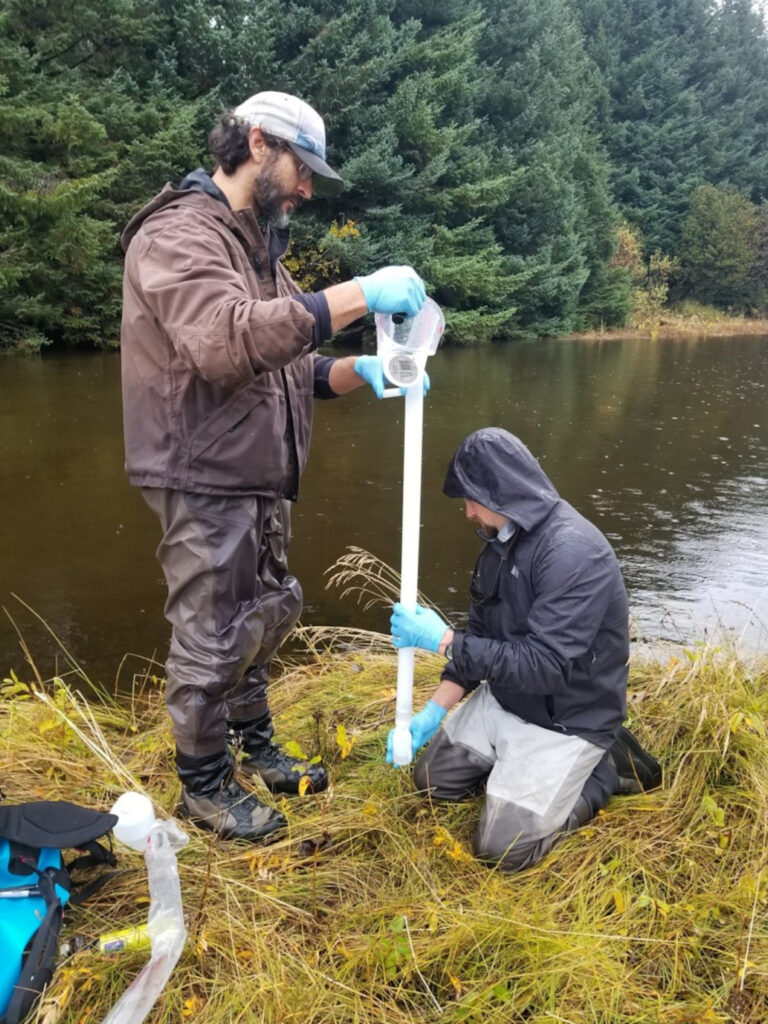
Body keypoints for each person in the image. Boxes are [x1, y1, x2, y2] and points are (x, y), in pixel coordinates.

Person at [121, 90, 427, 842]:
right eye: (303, 168)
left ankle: (254, 748)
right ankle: (204, 786)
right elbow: (227, 343)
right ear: (258, 143)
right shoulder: (178, 236)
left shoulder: (256, 248)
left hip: (257, 475)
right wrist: (359, 293)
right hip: (202, 473)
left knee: (259, 619)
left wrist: (367, 372)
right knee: (210, 634)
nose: (308, 188)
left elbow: (288, 359)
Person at [388, 428, 661, 872]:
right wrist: (433, 712)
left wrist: (442, 640)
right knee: (431, 783)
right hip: (508, 699)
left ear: (501, 492)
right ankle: (519, 775)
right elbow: (479, 636)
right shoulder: (499, 542)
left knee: (503, 850)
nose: (467, 511)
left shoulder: (574, 553)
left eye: (471, 497)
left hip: (567, 720)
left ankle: (602, 773)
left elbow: (544, 668)